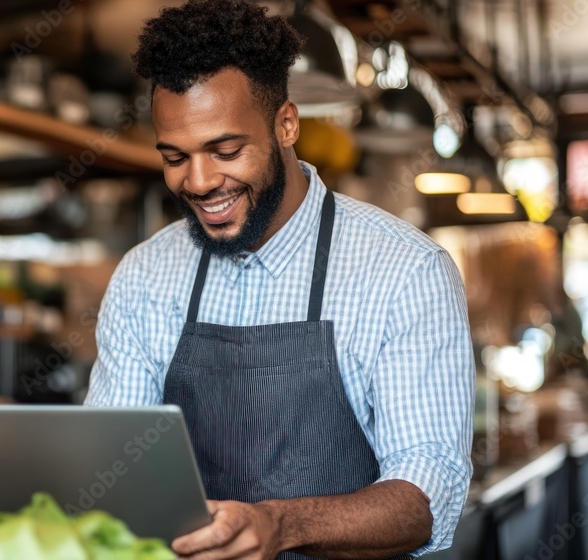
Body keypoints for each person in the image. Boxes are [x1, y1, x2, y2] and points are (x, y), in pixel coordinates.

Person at [83, 2, 474, 558]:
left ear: (286, 124)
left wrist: (281, 525)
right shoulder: (145, 276)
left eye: (226, 150)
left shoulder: (404, 270)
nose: (198, 182)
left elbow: (428, 495)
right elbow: (112, 467)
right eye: (175, 157)